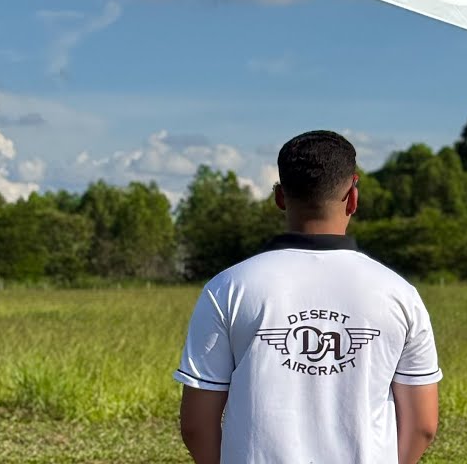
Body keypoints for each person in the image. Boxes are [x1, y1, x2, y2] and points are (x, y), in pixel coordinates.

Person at [174, 130, 441, 464]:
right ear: (353, 197)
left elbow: (197, 426)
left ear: (280, 197)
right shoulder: (400, 294)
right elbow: (422, 426)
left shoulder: (227, 288)